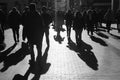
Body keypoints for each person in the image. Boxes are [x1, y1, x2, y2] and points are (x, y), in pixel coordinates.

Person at [24, 3, 44, 80]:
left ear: (30, 8)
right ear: (35, 8)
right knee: (39, 49)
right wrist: (42, 35)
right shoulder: (38, 15)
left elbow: (25, 26)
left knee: (32, 48)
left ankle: (33, 60)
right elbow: (42, 26)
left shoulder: (27, 15)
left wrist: (24, 34)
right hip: (38, 36)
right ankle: (39, 61)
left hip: (31, 36)